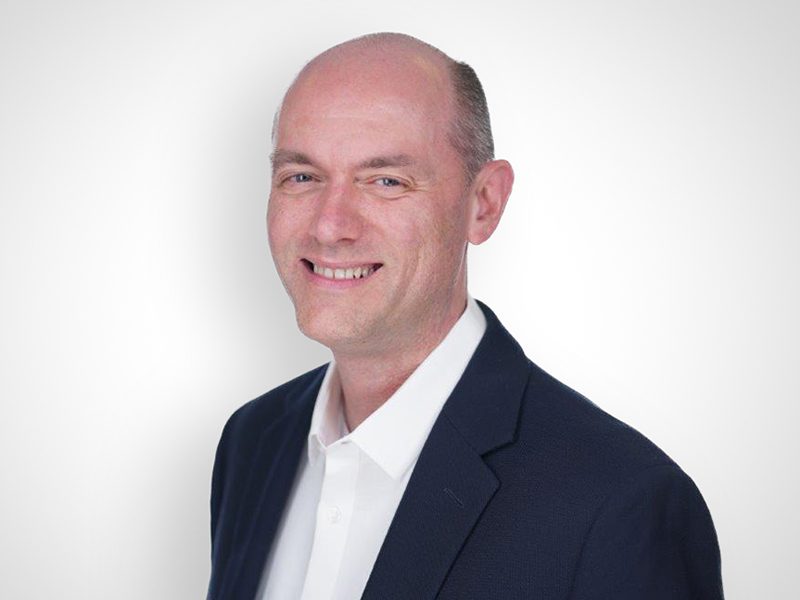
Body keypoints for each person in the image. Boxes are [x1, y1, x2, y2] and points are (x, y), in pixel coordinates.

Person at [207, 32, 723, 600]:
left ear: (484, 203)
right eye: (301, 176)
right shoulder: (252, 442)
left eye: (386, 181)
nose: (330, 226)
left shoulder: (620, 504)